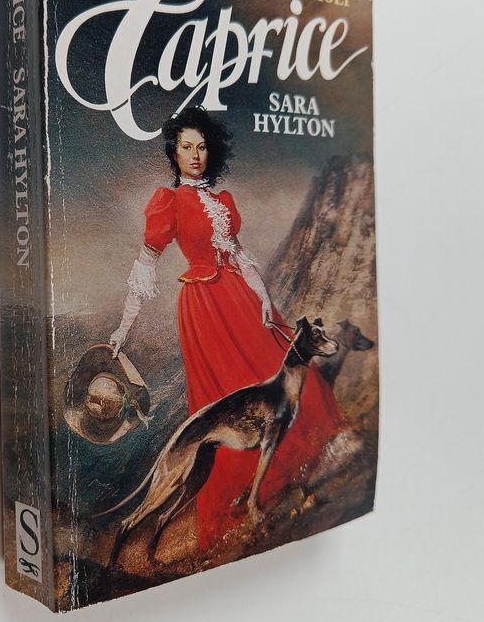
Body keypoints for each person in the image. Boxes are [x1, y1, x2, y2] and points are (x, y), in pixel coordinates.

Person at [110, 108, 347, 551]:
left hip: (240, 298)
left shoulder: (222, 202)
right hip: (203, 307)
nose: (195, 155)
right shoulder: (168, 203)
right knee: (227, 395)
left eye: (201, 147)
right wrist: (124, 327)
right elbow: (145, 266)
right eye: (186, 147)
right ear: (174, 153)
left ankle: (290, 476)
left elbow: (239, 256)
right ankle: (237, 498)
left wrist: (263, 298)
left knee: (276, 379)